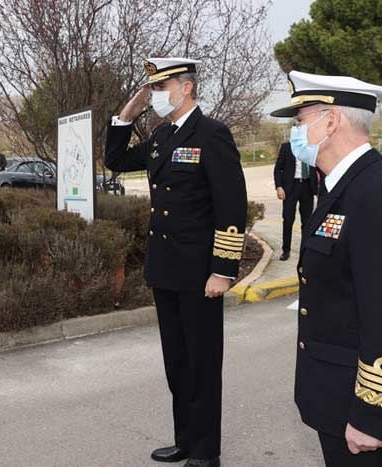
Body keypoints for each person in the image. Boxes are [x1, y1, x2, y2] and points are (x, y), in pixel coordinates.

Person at [270, 70, 382, 467]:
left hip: (363, 408)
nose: (295, 132)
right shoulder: (341, 187)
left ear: (331, 120)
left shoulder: (381, 193)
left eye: (299, 120)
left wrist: (373, 416)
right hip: (336, 396)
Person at [105, 57, 247, 467]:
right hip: (166, 267)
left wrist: (223, 270)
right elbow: (115, 161)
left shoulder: (213, 134)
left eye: (161, 88)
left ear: (186, 88)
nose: (155, 96)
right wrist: (126, 116)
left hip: (201, 272)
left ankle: (206, 452)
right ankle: (186, 440)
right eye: (152, 89)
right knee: (177, 362)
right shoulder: (162, 136)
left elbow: (231, 206)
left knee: (202, 362)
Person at [274, 140, 319, 261]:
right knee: (288, 220)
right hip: (290, 188)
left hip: (307, 187)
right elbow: (278, 168)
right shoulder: (287, 147)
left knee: (307, 222)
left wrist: (320, 188)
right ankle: (286, 250)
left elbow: (318, 167)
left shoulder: (312, 147)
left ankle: (305, 251)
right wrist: (279, 186)